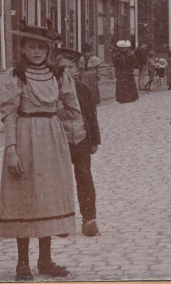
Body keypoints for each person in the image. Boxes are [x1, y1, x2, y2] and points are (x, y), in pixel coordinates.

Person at [0, 23, 80, 279]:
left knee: (48, 196)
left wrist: (53, 118)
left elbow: (73, 109)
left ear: (49, 49)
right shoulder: (16, 75)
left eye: (41, 47)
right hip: (24, 137)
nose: (36, 51)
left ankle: (45, 260)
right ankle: (22, 262)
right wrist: (11, 149)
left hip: (52, 142)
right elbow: (9, 114)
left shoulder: (59, 75)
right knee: (25, 195)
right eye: (31, 46)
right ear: (22, 48)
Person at [58, 48, 102, 237]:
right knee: (60, 180)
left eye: (70, 67)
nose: (66, 71)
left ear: (76, 68)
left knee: (84, 177)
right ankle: (60, 221)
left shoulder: (82, 88)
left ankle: (89, 219)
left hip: (82, 138)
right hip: (60, 139)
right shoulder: (52, 90)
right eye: (62, 67)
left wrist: (94, 140)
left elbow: (91, 115)